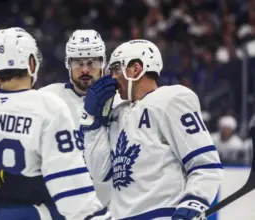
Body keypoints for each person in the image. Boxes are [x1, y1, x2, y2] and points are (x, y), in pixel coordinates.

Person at [0, 27, 111, 220]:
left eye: (92, 62)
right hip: (37, 211)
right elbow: (69, 186)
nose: (85, 69)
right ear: (31, 62)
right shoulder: (48, 104)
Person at [80, 39, 224, 220]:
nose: (113, 78)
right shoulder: (116, 113)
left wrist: (194, 202)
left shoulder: (171, 99)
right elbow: (99, 172)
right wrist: (94, 125)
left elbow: (205, 163)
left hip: (163, 214)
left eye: (116, 69)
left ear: (136, 68)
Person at [40, 29, 121, 207]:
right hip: (58, 207)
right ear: (68, 63)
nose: (85, 69)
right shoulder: (46, 99)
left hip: (109, 206)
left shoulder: (120, 102)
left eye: (92, 62)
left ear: (103, 63)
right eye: (78, 62)